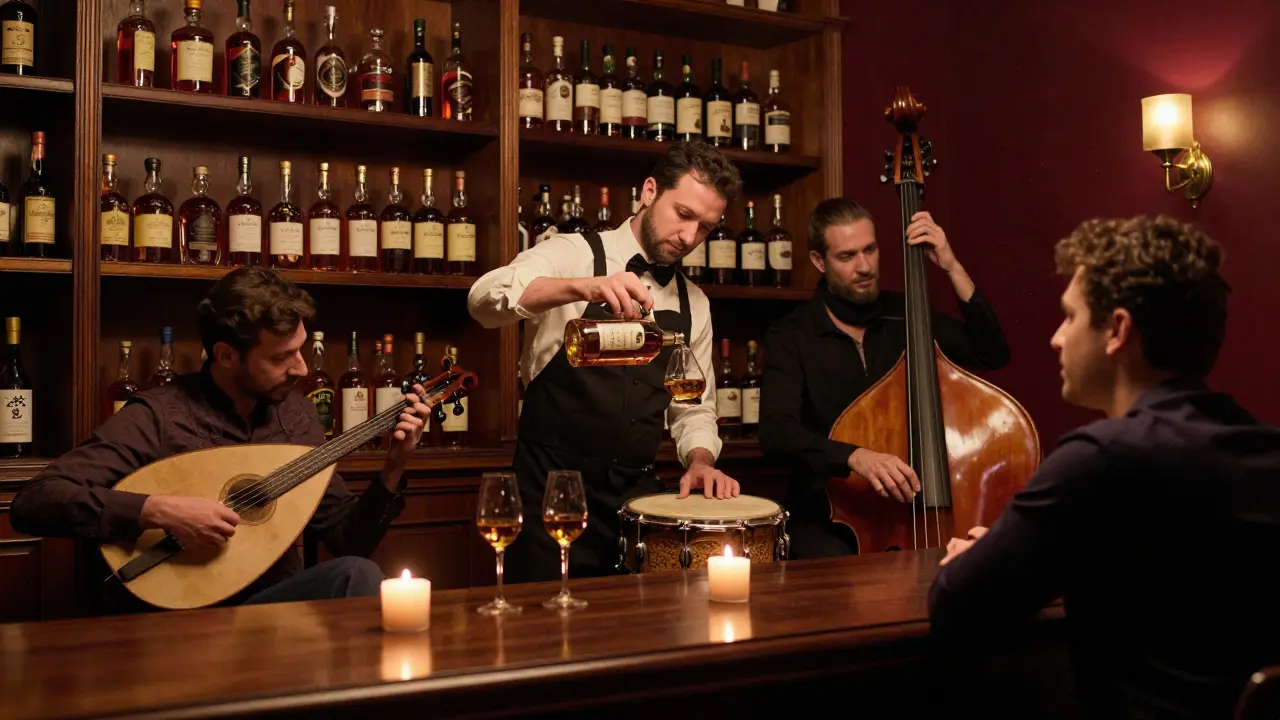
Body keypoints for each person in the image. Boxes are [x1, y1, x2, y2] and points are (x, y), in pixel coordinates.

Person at [928, 215, 1280, 718]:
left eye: (1069, 317)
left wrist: (992, 550)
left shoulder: (1099, 458)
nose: (1055, 338)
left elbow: (956, 605)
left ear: (1116, 330)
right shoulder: (1267, 449)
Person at [10, 267, 433, 614]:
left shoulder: (297, 417)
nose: (302, 369)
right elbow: (36, 501)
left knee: (356, 573)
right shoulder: (159, 416)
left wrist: (395, 465)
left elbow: (347, 540)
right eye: (282, 357)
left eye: (301, 349)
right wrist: (157, 510)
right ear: (227, 355)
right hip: (180, 617)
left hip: (274, 613)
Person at [468, 141, 742, 583]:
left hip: (634, 507)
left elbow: (693, 407)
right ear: (649, 191)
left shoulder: (696, 304)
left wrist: (701, 460)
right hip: (549, 496)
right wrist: (584, 287)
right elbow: (483, 300)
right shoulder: (571, 253)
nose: (690, 238)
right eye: (684, 215)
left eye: (706, 228)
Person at [758, 198, 1010, 558]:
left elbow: (993, 354)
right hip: (830, 519)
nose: (864, 266)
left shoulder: (910, 315)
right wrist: (854, 457)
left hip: (917, 512)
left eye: (870, 250)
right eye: (847, 257)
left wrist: (951, 266)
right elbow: (776, 432)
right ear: (819, 261)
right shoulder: (793, 335)